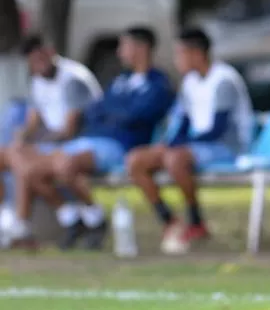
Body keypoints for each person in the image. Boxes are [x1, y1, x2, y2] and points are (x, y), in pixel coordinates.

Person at [13, 26, 174, 249]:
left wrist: (116, 112)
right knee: (30, 171)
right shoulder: (121, 81)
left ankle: (94, 219)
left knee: (65, 165)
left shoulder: (157, 83)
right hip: (92, 140)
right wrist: (118, 112)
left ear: (141, 48)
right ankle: (77, 218)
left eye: (124, 46)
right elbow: (97, 110)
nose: (119, 52)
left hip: (120, 146)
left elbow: (138, 116)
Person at [125, 27, 254, 254]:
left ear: (196, 54)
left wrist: (178, 146)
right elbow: (183, 122)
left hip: (227, 146)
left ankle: (196, 222)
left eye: (180, 53)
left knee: (175, 159)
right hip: (195, 146)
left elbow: (218, 129)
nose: (176, 60)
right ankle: (169, 220)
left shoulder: (224, 79)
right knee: (136, 160)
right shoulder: (189, 82)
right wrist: (170, 143)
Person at [0, 36, 102, 249]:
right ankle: (10, 218)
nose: (38, 65)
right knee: (12, 156)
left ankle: (21, 224)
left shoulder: (73, 79)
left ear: (51, 52)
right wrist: (22, 137)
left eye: (41, 58)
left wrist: (33, 143)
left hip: (80, 143)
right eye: (33, 61)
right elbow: (33, 122)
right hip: (52, 145)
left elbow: (68, 130)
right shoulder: (38, 80)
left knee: (29, 167)